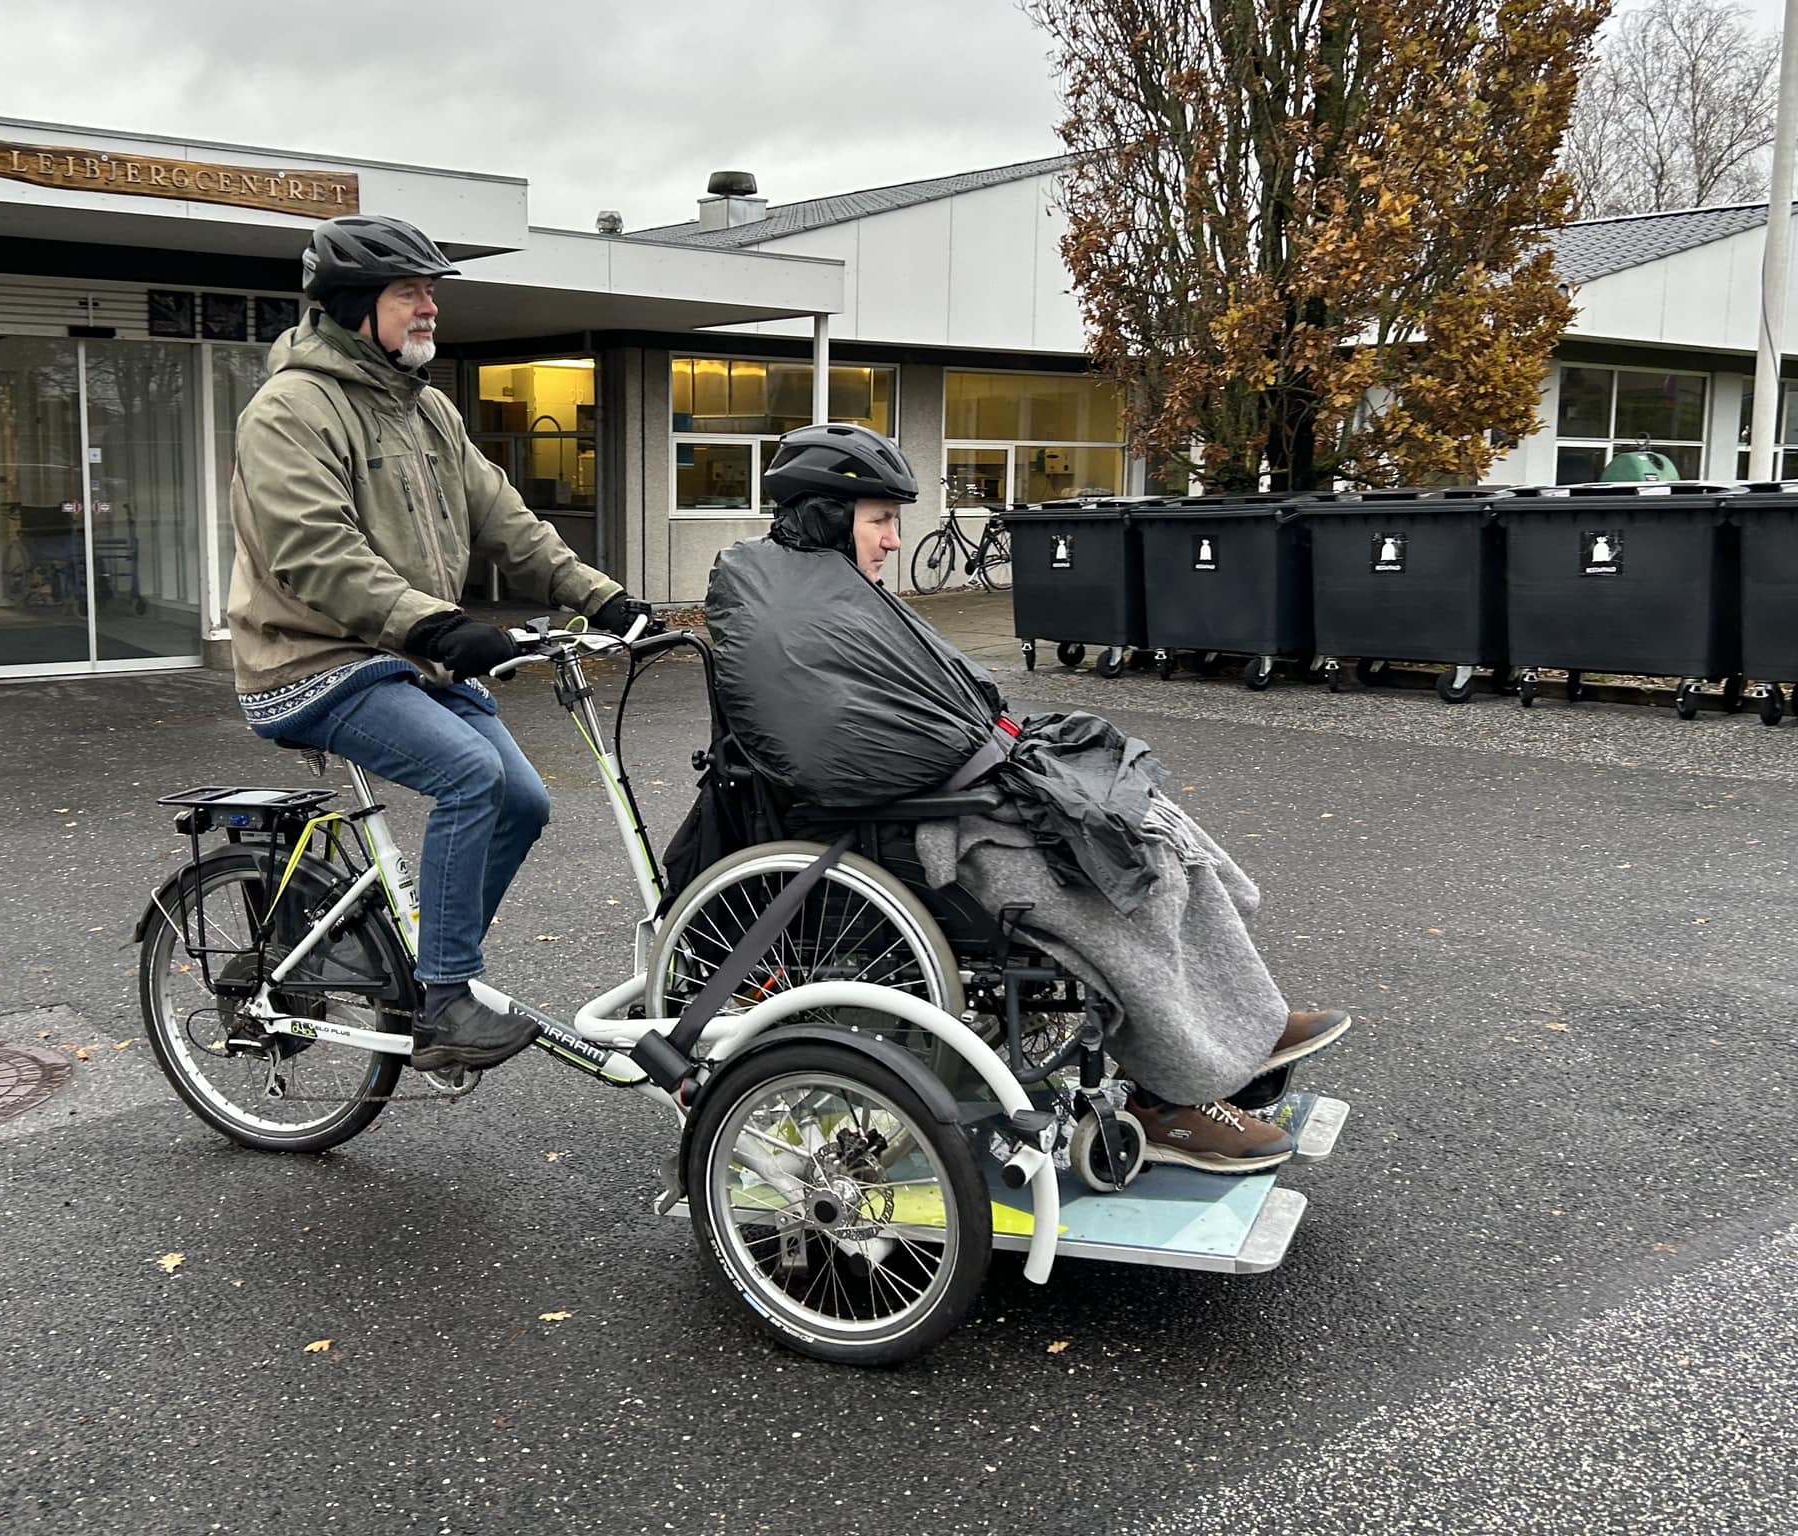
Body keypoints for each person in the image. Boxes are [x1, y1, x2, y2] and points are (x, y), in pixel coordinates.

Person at [706, 422, 1350, 1174]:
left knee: (1143, 817)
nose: (891, 540)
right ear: (824, 513)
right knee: (1123, 877)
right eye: (880, 520)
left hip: (954, 797)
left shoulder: (825, 590)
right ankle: (1171, 1100)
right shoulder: (792, 607)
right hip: (918, 832)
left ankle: (1244, 1026)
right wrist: (988, 754)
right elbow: (846, 754)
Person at [227, 213, 652, 1075]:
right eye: (408, 292)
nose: (429, 308)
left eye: (431, 292)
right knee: (472, 774)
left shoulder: (428, 411)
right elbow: (315, 550)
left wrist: (605, 601)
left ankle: (413, 963)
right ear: (355, 307)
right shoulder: (289, 411)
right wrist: (439, 626)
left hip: (401, 657)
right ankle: (445, 1000)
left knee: (524, 801)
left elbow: (508, 522)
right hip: (306, 662)